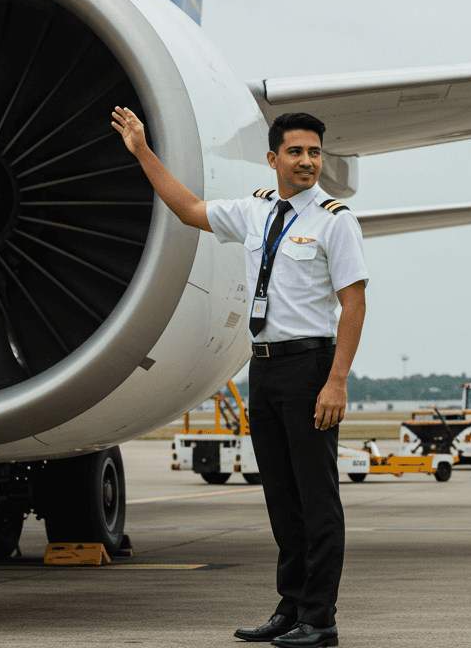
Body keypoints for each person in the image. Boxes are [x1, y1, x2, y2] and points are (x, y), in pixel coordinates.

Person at [113, 106, 366, 648]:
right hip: (266, 367)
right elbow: (187, 209)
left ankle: (319, 620)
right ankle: (291, 606)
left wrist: (337, 380)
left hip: (310, 366)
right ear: (273, 159)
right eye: (296, 152)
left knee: (317, 500)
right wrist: (141, 151)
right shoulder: (256, 213)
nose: (307, 161)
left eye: (315, 152)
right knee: (280, 495)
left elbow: (354, 304)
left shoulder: (335, 220)